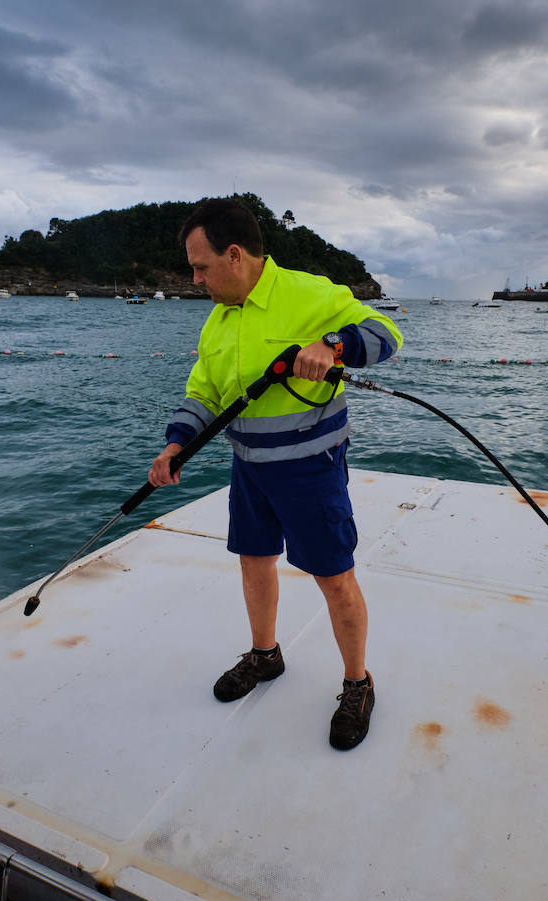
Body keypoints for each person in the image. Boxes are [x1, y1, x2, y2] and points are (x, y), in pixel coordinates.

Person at [148, 198, 402, 750]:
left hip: (311, 469)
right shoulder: (218, 321)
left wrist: (334, 345)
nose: (195, 279)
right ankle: (266, 655)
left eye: (201, 266)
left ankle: (358, 683)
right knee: (254, 563)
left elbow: (386, 333)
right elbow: (203, 394)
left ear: (234, 255)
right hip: (249, 470)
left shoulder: (308, 294)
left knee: (334, 577)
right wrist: (174, 446)